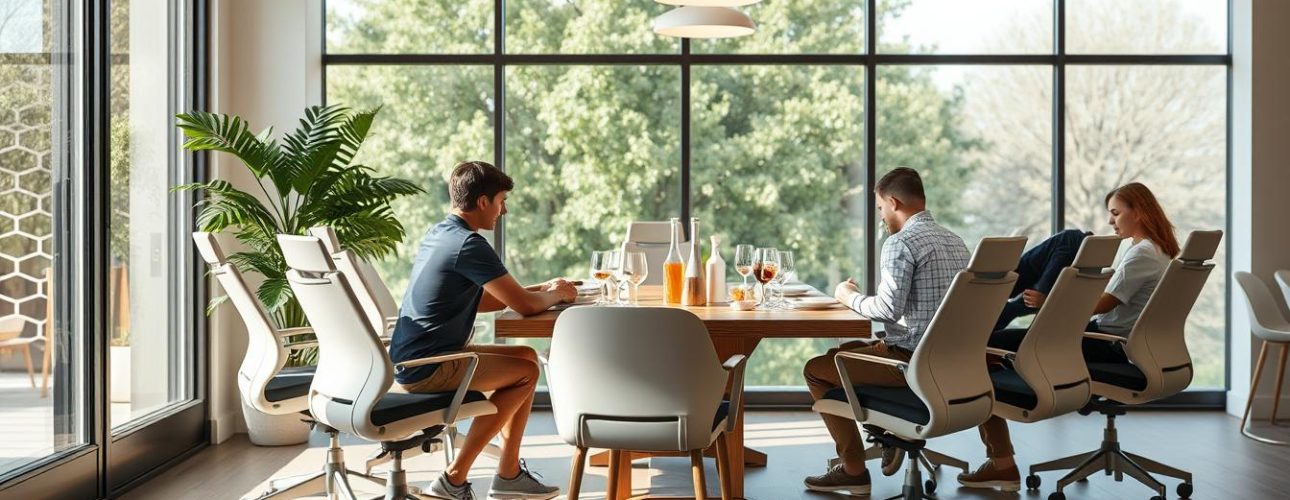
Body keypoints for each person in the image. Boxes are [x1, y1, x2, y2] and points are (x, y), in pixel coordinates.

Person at [957, 182, 1181, 491]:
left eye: (1116, 213)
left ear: (1139, 213)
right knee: (1072, 240)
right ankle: (1009, 306)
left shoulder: (1142, 254)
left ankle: (1001, 463)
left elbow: (1103, 304)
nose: (1110, 221)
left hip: (1106, 344)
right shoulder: (1159, 251)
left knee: (988, 341)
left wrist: (1050, 302)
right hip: (1112, 341)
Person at [391, 160, 577, 500]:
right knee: (525, 371)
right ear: (482, 202)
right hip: (429, 366)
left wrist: (544, 289)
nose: (502, 210)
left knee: (526, 357)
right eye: (501, 200)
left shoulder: (440, 234)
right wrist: (559, 294)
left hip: (412, 358)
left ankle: (508, 474)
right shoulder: (469, 244)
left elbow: (489, 300)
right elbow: (521, 306)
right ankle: (454, 478)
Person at [802, 167, 971, 495]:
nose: (881, 216)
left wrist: (847, 296)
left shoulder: (900, 242)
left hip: (910, 363)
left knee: (816, 370)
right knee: (844, 351)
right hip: (953, 363)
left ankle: (853, 470)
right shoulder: (956, 242)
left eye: (880, 208)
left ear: (893, 202)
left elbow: (886, 310)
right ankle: (885, 432)